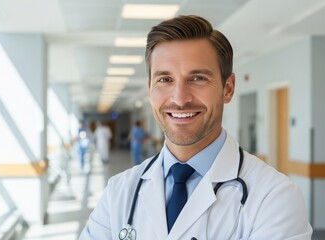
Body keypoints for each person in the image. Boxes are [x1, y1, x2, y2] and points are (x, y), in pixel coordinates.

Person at [80, 15, 312, 239]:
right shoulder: (118, 192)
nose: (180, 99)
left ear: (228, 88)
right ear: (150, 88)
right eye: (165, 79)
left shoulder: (275, 197)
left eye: (198, 78)